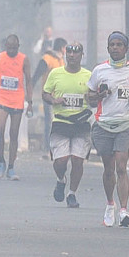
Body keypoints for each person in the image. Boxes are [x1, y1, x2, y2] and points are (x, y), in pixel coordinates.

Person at [87, 31, 129, 227]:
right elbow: (89, 97)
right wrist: (100, 95)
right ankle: (110, 205)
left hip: (125, 123)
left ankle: (124, 211)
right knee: (109, 168)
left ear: (126, 49)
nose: (115, 48)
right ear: (108, 48)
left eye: (119, 44)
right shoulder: (99, 71)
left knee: (122, 166)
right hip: (103, 124)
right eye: (112, 45)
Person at [42, 42, 91, 208]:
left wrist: (93, 97)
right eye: (69, 52)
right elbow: (45, 93)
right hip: (61, 122)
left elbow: (94, 96)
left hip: (81, 123)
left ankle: (72, 194)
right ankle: (60, 179)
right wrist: (54, 100)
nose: (72, 55)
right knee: (61, 161)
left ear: (81, 55)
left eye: (76, 53)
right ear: (65, 55)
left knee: (78, 161)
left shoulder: (88, 75)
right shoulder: (56, 73)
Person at [0, 34, 33, 180]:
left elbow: (29, 81)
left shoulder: (24, 59)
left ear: (18, 47)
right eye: (9, 47)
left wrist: (29, 102)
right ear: (5, 47)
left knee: (14, 134)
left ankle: (11, 167)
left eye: (14, 48)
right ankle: (1, 161)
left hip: (17, 100)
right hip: (2, 99)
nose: (12, 50)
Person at [32, 38, 67, 150]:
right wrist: (30, 88)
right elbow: (37, 74)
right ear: (62, 48)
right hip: (49, 96)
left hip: (60, 97)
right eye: (66, 48)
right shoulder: (47, 59)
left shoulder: (61, 60)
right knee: (50, 122)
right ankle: (48, 147)